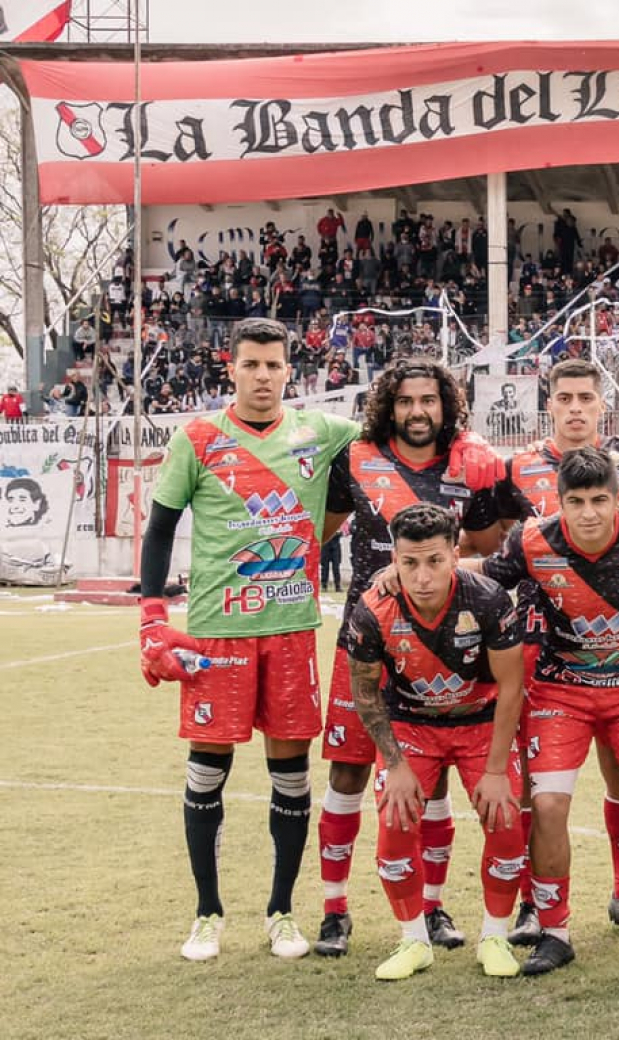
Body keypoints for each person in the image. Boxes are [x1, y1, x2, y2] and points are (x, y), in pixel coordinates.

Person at [137, 317, 358, 962]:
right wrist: (151, 614)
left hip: (290, 631)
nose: (263, 376)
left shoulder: (321, 432)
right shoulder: (198, 437)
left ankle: (281, 912)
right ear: (229, 367)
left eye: (274, 365)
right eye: (252, 365)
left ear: (291, 371)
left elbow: (388, 441)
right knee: (207, 771)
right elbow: (159, 528)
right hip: (218, 633)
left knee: (290, 775)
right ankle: (207, 913)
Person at [476, 447, 619, 978]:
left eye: (600, 500)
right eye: (576, 502)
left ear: (618, 498)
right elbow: (482, 578)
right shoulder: (532, 539)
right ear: (559, 503)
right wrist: (409, 569)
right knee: (549, 806)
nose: (589, 513)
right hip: (561, 694)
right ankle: (555, 932)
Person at [314, 358, 505, 958]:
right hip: (366, 640)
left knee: (432, 777)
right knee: (347, 773)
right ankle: (334, 909)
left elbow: (489, 545)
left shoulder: (467, 464)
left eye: (429, 400)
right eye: (405, 401)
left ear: (446, 405)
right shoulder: (356, 458)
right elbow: (321, 530)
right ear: (388, 407)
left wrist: (428, 564)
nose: (417, 411)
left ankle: (432, 908)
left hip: (444, 647)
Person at [495, 358, 619, 943]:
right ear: (548, 403)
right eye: (565, 397)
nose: (575, 407)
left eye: (586, 398)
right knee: (540, 790)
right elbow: (485, 543)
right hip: (543, 650)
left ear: (603, 404)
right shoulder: (515, 469)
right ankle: (538, 909)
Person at [345, 503, 526, 980]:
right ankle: (413, 940)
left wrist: (495, 771)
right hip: (410, 726)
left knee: (506, 820)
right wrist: (395, 764)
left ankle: (494, 936)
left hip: (480, 721)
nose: (422, 577)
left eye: (434, 561)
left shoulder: (487, 600)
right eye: (409, 563)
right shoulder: (373, 609)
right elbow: (365, 692)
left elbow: (512, 686)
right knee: (395, 821)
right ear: (394, 560)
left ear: (455, 555)